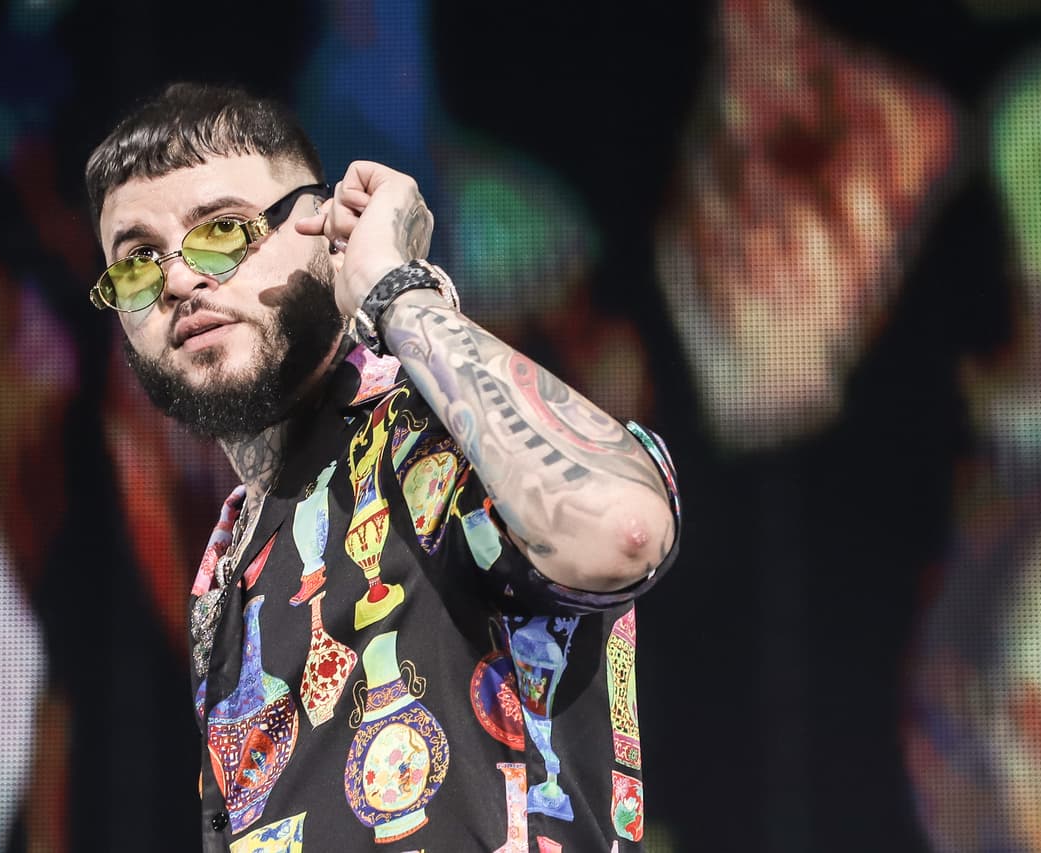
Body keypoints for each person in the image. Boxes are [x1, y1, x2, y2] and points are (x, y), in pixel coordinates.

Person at [84, 81, 681, 852]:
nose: (176, 280)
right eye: (136, 262)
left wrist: (394, 288)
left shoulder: (426, 431)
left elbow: (625, 530)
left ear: (325, 227)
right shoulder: (227, 555)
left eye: (223, 230)